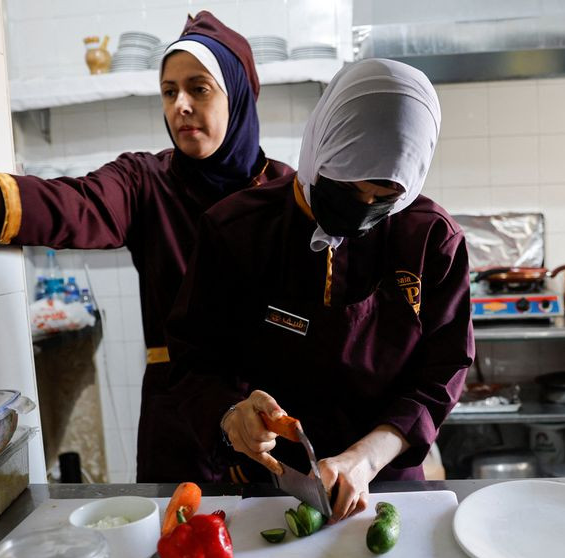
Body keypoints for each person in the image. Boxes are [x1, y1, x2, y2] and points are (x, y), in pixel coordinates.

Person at [0, 11, 293, 482]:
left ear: (239, 95)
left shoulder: (287, 194)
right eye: (168, 91)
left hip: (273, 407)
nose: (179, 104)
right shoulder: (147, 181)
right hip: (179, 412)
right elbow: (77, 204)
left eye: (198, 88)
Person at [167, 59, 473, 522]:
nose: (364, 208)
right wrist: (232, 416)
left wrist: (364, 459)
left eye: (384, 196)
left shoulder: (430, 240)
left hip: (383, 483)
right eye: (350, 188)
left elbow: (441, 375)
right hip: (262, 484)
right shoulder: (235, 230)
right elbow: (194, 361)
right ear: (320, 149)